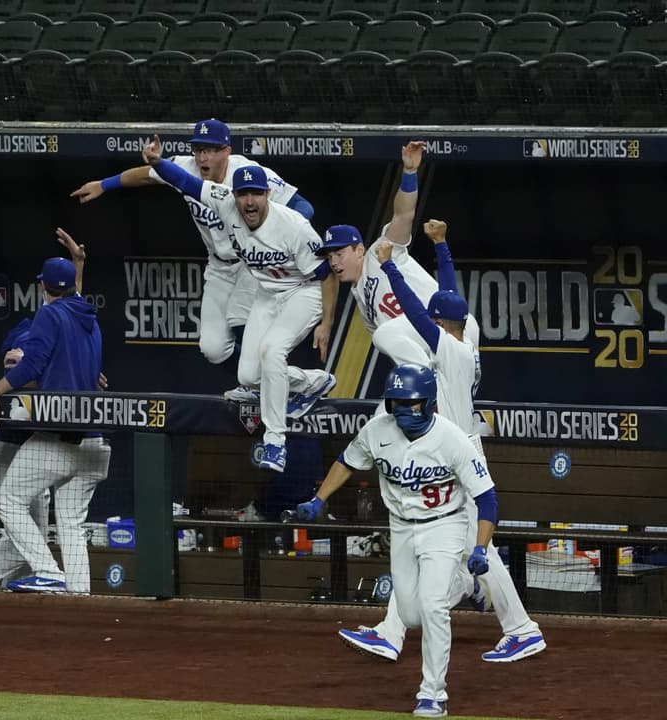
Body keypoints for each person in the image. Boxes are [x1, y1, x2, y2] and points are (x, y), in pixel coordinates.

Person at [337, 221, 545, 665]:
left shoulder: (446, 348)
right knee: (458, 541)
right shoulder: (465, 334)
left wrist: (392, 272)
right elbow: (446, 295)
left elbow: (414, 312)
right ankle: (394, 632)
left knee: (443, 537)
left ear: (440, 323)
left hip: (459, 451)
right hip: (459, 444)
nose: (429, 321)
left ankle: (521, 629)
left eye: (435, 319)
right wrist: (442, 246)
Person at [295, 364, 498, 719]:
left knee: (433, 607)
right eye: (397, 403)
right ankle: (466, 585)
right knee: (409, 614)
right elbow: (347, 461)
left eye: (412, 403)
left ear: (430, 402)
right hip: (401, 527)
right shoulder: (377, 430)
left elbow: (487, 498)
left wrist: (480, 546)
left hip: (444, 525)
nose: (404, 410)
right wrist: (319, 499)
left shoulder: (453, 440)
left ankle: (433, 694)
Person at [72, 119, 315, 402]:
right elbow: (147, 174)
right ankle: (279, 384)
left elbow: (303, 207)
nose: (202, 157)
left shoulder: (248, 174)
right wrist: (104, 184)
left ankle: (265, 386)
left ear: (227, 150)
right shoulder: (185, 168)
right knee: (213, 349)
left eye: (210, 150)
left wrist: (275, 234)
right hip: (218, 266)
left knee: (241, 321)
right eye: (198, 150)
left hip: (250, 263)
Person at [142, 136, 337, 473]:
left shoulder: (294, 227)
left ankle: (275, 442)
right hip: (267, 293)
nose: (249, 201)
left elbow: (327, 276)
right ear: (234, 195)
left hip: (303, 292)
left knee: (272, 351)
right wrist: (157, 163)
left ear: (267, 195)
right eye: (243, 194)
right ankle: (310, 382)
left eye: (256, 194)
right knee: (248, 375)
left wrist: (326, 323)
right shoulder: (223, 202)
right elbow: (186, 182)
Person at [0, 228, 88, 591]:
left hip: (38, 444)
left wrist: (78, 265)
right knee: (24, 532)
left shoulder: (64, 319)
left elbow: (74, 305)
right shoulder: (29, 328)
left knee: (27, 537)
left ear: (46, 288)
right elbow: (23, 365)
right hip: (9, 444)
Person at [0, 252, 110, 594]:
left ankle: (48, 571)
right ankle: (80, 599)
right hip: (96, 444)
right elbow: (75, 299)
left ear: (43, 286)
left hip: (61, 437)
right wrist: (80, 264)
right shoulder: (89, 318)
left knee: (8, 501)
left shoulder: (50, 314)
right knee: (70, 524)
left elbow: (31, 365)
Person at [317, 142, 481, 370]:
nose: (334, 261)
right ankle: (427, 383)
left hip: (452, 325)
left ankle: (427, 380)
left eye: (340, 252)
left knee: (384, 334)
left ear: (360, 250)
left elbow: (403, 215)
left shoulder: (379, 252)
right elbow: (400, 348)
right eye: (330, 256)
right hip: (436, 344)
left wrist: (410, 173)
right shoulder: (364, 305)